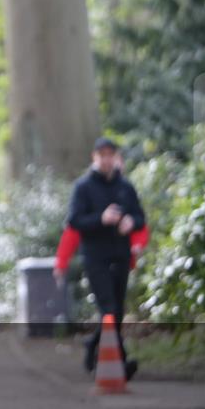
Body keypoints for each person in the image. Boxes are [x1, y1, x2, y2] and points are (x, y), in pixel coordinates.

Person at [64, 137, 146, 381]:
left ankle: (92, 345)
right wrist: (101, 218)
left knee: (117, 311)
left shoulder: (126, 187)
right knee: (108, 308)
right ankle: (119, 361)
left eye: (111, 154)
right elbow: (74, 221)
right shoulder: (83, 187)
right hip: (95, 256)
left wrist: (132, 222)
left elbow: (140, 217)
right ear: (94, 157)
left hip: (120, 255)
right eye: (102, 155)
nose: (107, 159)